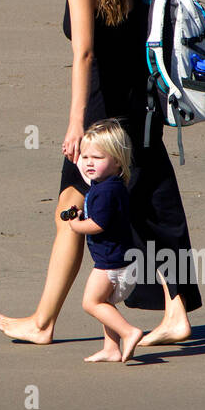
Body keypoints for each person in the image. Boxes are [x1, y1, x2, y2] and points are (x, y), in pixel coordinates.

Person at [0, 0, 202, 345]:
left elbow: (84, 55)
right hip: (140, 109)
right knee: (150, 209)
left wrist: (75, 124)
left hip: (103, 118)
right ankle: (174, 312)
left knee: (75, 208)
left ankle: (45, 323)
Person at [69, 120, 143, 363]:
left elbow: (98, 225)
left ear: (117, 160)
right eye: (86, 156)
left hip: (111, 264)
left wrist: (76, 225)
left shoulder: (104, 192)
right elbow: (88, 169)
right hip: (123, 260)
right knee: (106, 303)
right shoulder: (112, 184)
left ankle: (128, 332)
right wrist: (76, 157)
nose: (89, 163)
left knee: (91, 303)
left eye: (97, 158)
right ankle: (111, 348)